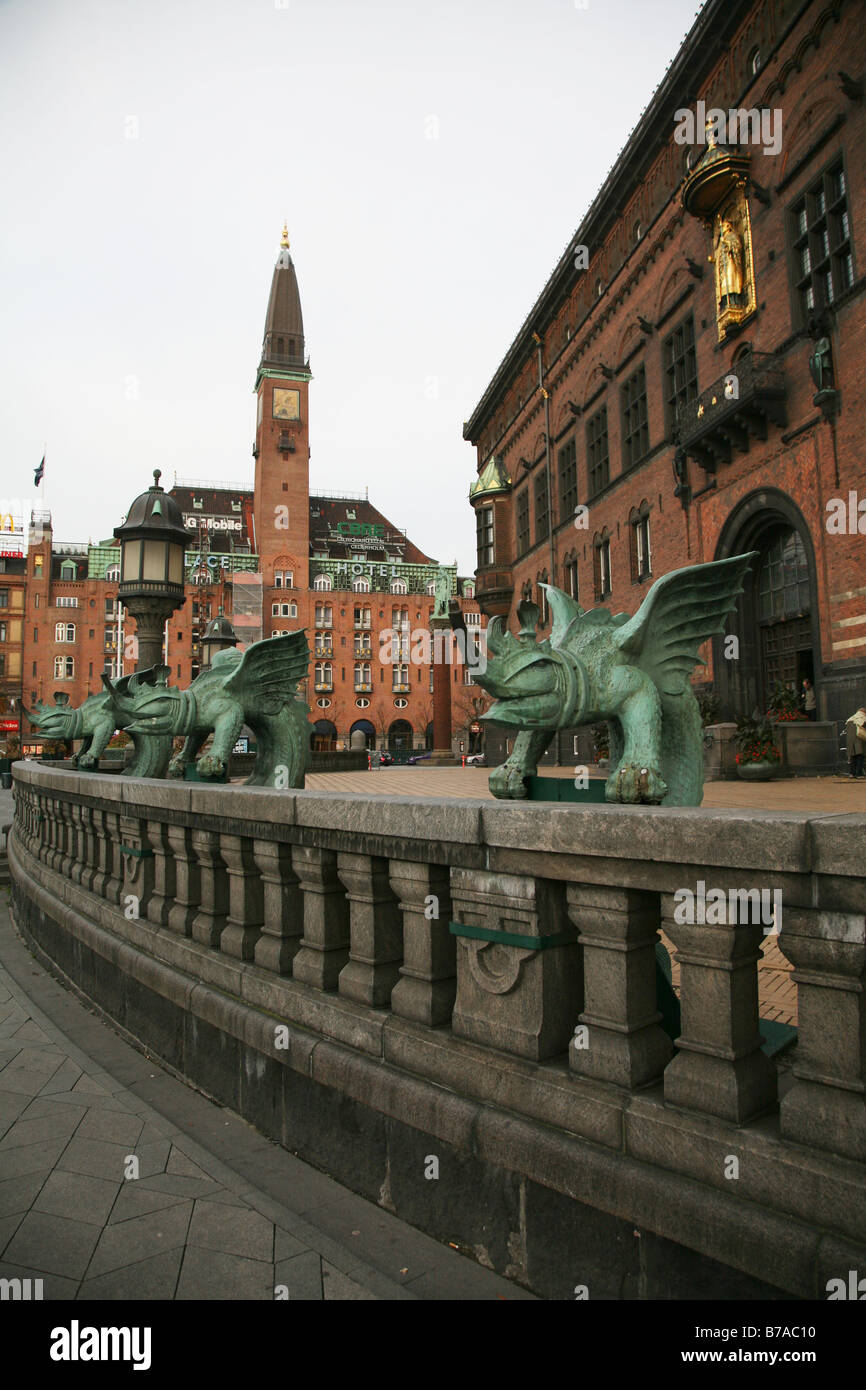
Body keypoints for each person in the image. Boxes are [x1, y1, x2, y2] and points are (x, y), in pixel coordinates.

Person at [844, 707, 866, 778]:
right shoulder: (862, 718)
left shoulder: (851, 718)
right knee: (860, 756)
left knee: (852, 756)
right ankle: (859, 773)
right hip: (859, 739)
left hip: (850, 740)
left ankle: (852, 773)